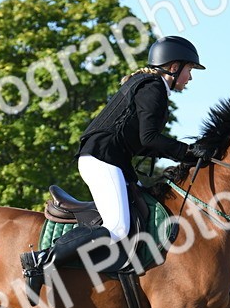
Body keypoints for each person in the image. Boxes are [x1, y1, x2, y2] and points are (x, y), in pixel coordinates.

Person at [21, 35, 214, 293]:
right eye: (189, 70)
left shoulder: (150, 85)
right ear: (173, 66)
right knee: (118, 227)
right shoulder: (153, 88)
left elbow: (143, 143)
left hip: (113, 161)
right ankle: (39, 261)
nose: (190, 77)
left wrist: (186, 154)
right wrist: (188, 151)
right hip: (103, 159)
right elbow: (150, 138)